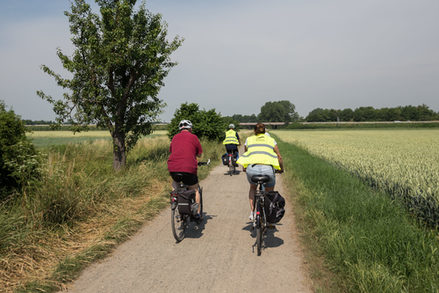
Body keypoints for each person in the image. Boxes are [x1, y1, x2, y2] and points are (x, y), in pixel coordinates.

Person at [236, 123, 284, 221]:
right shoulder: (271, 140)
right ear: (265, 131)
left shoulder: (249, 140)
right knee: (269, 192)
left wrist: (245, 167)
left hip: (252, 169)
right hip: (267, 170)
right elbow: (279, 156)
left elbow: (246, 155)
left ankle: (252, 212)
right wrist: (281, 168)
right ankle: (268, 214)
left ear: (254, 131)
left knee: (253, 188)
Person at [167, 120, 203, 219]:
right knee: (195, 189)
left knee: (175, 182)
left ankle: (174, 196)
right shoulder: (194, 137)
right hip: (189, 168)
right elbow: (199, 153)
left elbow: (172, 150)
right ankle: (197, 213)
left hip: (173, 167)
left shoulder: (174, 137)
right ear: (190, 128)